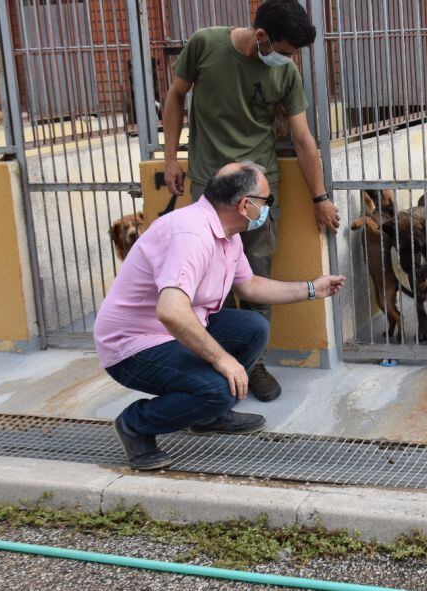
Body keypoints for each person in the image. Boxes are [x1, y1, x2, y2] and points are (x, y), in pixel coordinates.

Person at [94, 162, 345, 470]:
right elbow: (171, 311)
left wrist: (311, 289)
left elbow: (250, 286)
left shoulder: (226, 232)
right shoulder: (192, 234)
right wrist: (222, 360)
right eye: (267, 202)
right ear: (245, 205)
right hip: (132, 345)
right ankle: (136, 424)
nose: (267, 209)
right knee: (218, 388)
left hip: (178, 327)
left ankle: (208, 417)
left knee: (253, 327)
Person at [161, 0, 340, 403]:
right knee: (211, 289)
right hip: (209, 190)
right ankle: (218, 364)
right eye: (286, 51)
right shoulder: (205, 45)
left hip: (258, 196)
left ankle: (253, 363)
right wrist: (171, 158)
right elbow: (175, 97)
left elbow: (303, 138)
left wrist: (319, 196)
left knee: (256, 276)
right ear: (261, 37)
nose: (291, 61)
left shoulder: (286, 75)